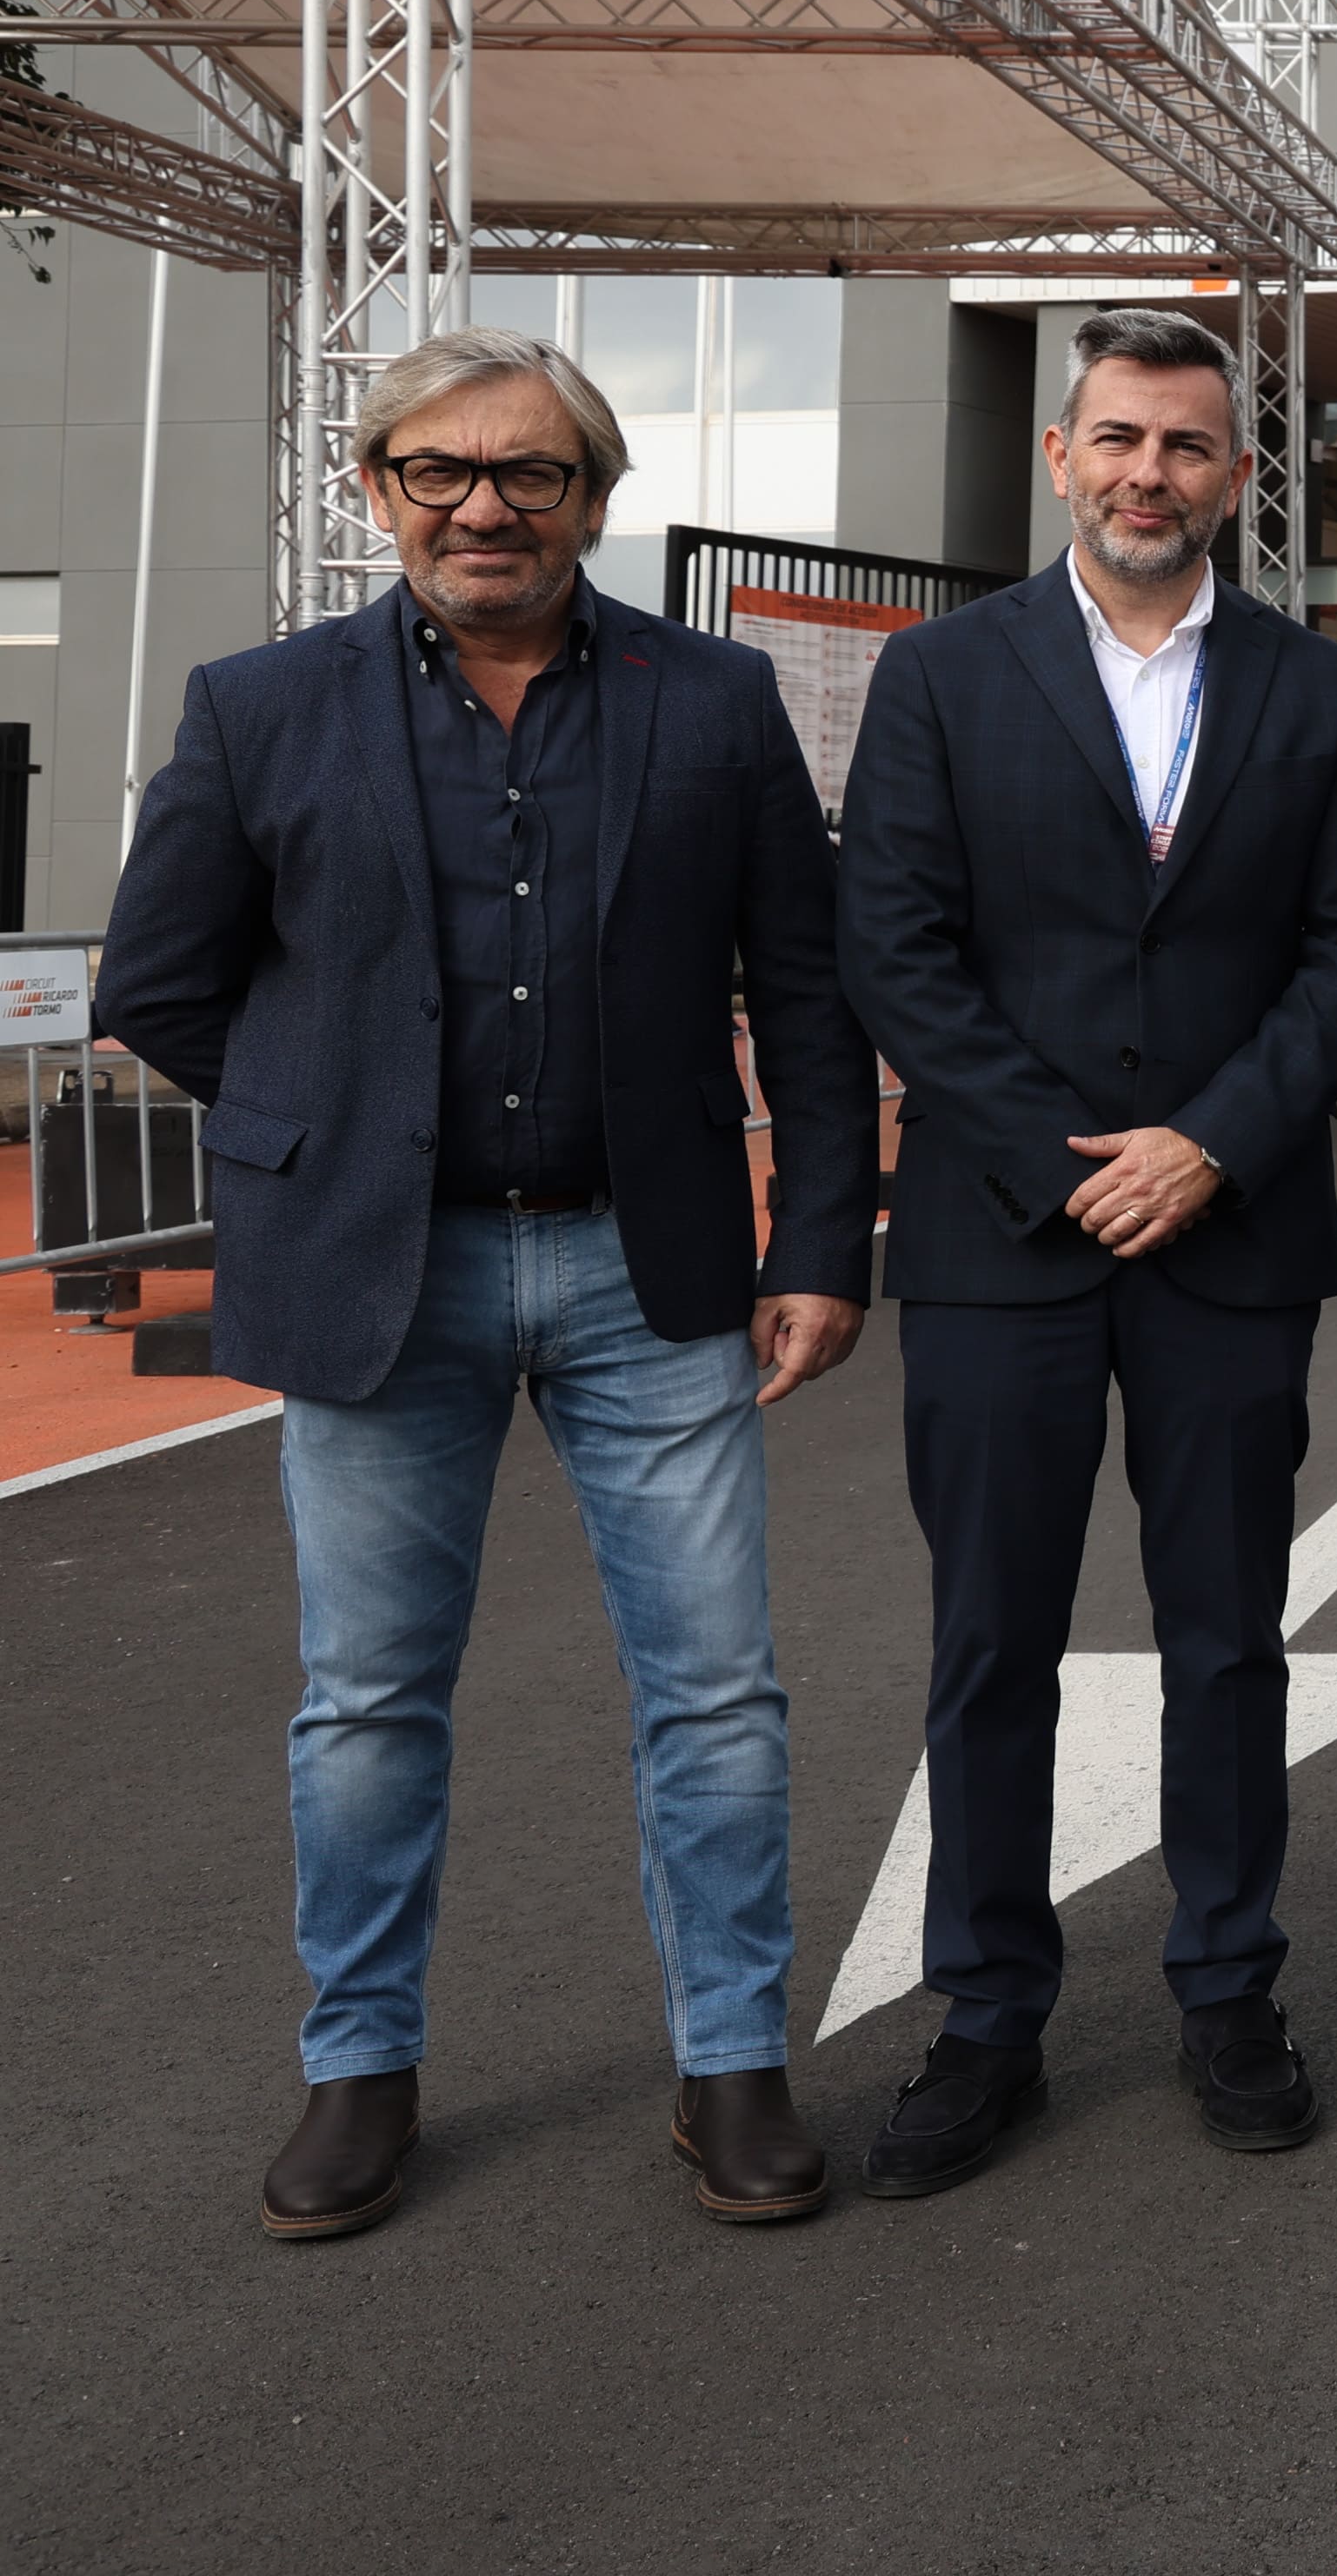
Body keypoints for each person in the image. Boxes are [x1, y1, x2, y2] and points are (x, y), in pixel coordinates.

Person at [96, 325, 875, 2241]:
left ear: (595, 501)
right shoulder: (258, 707)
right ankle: (357, 2069)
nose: (482, 507)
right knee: (366, 1702)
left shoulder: (715, 704)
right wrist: (331, 1127)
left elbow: (808, 985)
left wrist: (821, 1241)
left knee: (718, 1698)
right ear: (376, 492)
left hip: (651, 1267)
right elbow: (158, 984)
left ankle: (731, 2066)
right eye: (437, 470)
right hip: (379, 1273)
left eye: (531, 473)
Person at [837, 306, 1337, 2194]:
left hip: (1230, 1235)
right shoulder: (941, 677)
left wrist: (1211, 1146)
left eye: (1186, 445)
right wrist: (1072, 1163)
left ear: (1237, 479)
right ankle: (986, 2017)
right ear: (1060, 459)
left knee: (1227, 1637)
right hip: (1008, 1240)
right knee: (991, 1642)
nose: (1149, 472)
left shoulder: (1317, 695)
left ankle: (1227, 1990)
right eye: (1119, 440)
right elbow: (897, 950)